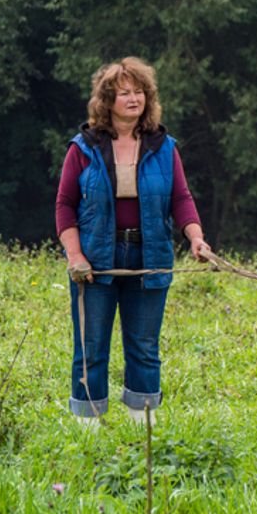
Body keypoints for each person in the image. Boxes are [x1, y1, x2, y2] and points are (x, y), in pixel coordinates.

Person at [55, 56, 210, 426]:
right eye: (124, 92)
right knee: (91, 348)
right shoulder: (82, 148)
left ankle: (144, 431)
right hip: (94, 261)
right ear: (107, 100)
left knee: (144, 348)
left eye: (139, 91)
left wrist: (196, 238)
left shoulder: (165, 147)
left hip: (149, 255)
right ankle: (87, 430)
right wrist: (75, 255)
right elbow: (64, 205)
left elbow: (181, 198)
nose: (133, 99)